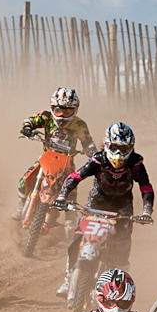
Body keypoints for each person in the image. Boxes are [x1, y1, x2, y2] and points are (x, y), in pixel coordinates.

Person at [52, 122, 154, 297]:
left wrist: (146, 211)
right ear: (107, 144)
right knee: (77, 240)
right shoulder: (99, 160)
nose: (120, 153)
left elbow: (146, 187)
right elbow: (75, 177)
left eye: (125, 148)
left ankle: (120, 289)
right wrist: (62, 196)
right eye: (116, 147)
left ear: (131, 147)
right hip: (95, 205)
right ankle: (68, 279)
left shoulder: (136, 163)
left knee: (122, 249)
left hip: (122, 209)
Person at [14, 87, 96, 221]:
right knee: (25, 180)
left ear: (75, 110)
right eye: (58, 110)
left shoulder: (79, 125)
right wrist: (27, 127)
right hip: (46, 158)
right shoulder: (46, 117)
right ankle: (20, 207)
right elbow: (30, 120)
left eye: (67, 111)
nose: (62, 115)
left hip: (67, 163)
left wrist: (91, 151)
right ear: (52, 107)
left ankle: (70, 226)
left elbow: (88, 142)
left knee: (71, 194)